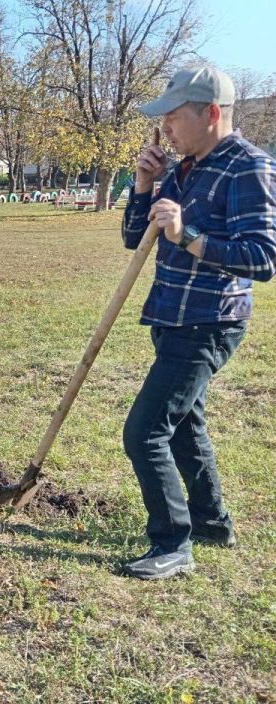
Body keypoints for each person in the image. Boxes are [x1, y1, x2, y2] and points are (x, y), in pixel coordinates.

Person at [120, 66, 276, 579]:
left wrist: (188, 236)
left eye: (174, 115)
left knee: (144, 431)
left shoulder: (249, 168)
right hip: (171, 316)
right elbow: (134, 238)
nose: (165, 126)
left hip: (209, 322)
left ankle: (172, 543)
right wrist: (144, 187)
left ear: (211, 114)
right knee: (185, 425)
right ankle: (213, 523)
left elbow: (262, 258)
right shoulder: (183, 168)